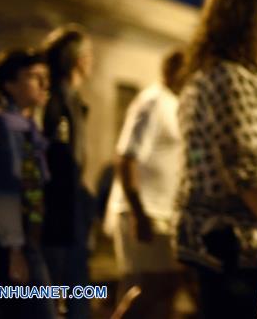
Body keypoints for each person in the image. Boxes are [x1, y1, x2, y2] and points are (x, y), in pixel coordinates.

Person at [175, 0, 257, 318]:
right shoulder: (230, 78)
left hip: (228, 245)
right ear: (243, 17)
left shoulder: (219, 75)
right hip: (235, 245)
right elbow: (247, 172)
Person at [0, 48, 55, 318]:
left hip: (25, 239)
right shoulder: (9, 127)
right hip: (16, 242)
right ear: (9, 84)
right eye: (32, 77)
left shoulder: (26, 126)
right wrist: (14, 247)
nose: (43, 84)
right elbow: (5, 188)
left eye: (44, 76)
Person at [105, 49, 186, 318]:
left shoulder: (173, 103)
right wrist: (139, 213)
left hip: (160, 214)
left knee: (162, 291)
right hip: (142, 213)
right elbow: (126, 157)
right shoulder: (152, 102)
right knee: (147, 287)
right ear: (174, 70)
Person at [41, 23, 94, 319]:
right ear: (78, 60)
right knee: (58, 285)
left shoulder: (74, 101)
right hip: (58, 208)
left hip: (72, 203)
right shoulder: (55, 102)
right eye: (89, 55)